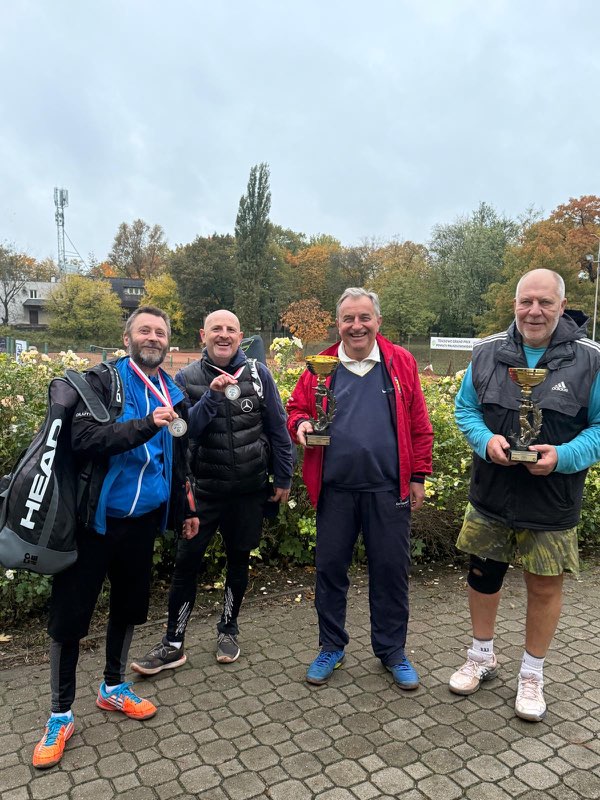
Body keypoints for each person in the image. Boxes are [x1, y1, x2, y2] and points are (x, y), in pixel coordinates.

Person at [33, 306, 198, 769]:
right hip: (93, 524)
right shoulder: (103, 380)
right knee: (69, 620)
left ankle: (112, 687)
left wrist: (186, 508)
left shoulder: (173, 390)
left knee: (128, 609)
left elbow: (177, 456)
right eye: (144, 330)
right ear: (127, 338)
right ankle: (60, 715)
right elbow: (83, 438)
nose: (152, 337)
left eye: (160, 331)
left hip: (142, 523)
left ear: (168, 341)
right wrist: (145, 425)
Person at [449, 268, 600, 722]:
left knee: (545, 586)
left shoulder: (591, 359)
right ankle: (481, 655)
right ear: (514, 304)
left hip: (552, 499)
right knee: (483, 575)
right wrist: (485, 441)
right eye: (526, 301)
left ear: (562, 305)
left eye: (545, 302)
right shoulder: (487, 352)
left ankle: (532, 673)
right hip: (491, 494)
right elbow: (465, 409)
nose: (534, 311)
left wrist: (564, 456)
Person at [131, 309, 293, 673]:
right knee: (186, 565)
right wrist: (213, 398)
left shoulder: (258, 374)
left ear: (240, 336)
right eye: (216, 329)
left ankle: (228, 630)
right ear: (203, 335)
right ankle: (173, 642)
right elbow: (184, 432)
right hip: (202, 492)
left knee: (238, 561)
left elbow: (278, 428)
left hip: (248, 491)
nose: (223, 334)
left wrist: (283, 477)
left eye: (231, 329)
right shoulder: (185, 378)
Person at [286, 288, 433, 688]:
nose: (357, 326)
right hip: (335, 490)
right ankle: (331, 646)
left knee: (391, 573)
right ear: (338, 324)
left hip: (388, 490)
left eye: (364, 317)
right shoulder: (321, 365)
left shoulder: (400, 362)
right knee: (330, 571)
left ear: (377, 322)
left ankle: (392, 651)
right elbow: (296, 408)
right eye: (348, 319)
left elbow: (419, 424)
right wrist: (300, 424)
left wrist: (418, 476)